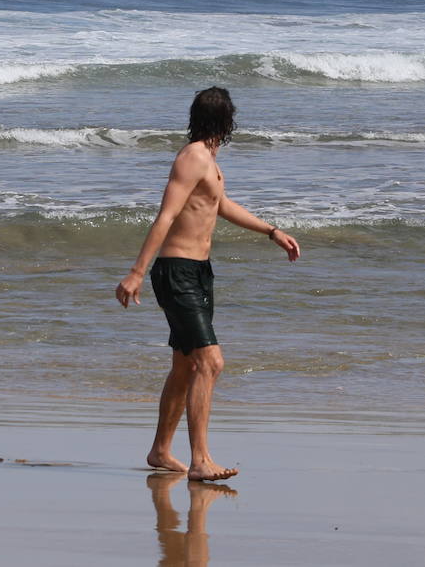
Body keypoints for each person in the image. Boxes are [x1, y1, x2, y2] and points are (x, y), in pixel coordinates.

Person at [115, 86, 299, 481]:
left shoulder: (209, 160)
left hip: (198, 272)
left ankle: (160, 451)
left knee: (185, 365)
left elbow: (221, 205)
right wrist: (137, 272)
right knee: (210, 361)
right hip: (176, 271)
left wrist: (271, 231)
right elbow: (166, 216)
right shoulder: (193, 158)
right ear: (227, 121)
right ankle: (200, 459)